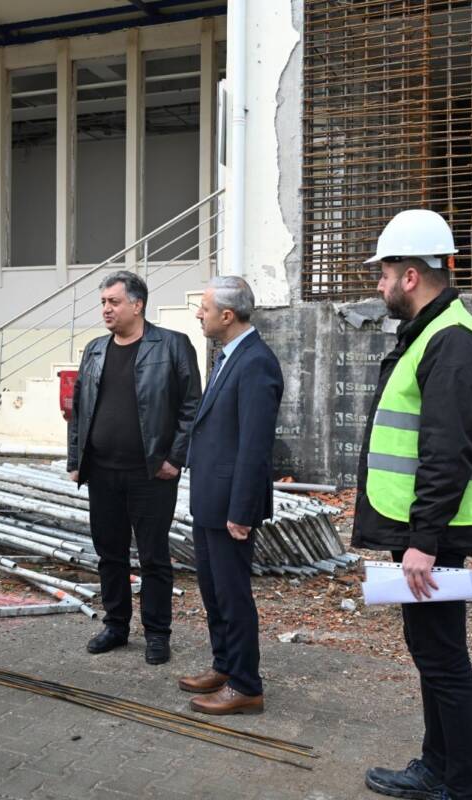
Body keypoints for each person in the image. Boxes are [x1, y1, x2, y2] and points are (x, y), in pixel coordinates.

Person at [352, 209, 472, 800]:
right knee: (431, 654)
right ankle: (437, 768)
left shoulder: (453, 342)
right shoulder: (434, 334)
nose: (379, 285)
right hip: (425, 528)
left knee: (444, 662)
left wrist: (423, 540)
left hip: (433, 533)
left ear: (410, 275)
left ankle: (460, 785)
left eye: (383, 273)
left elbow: (447, 452)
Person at [66, 270, 202, 665]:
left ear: (137, 305)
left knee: (154, 556)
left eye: (114, 302)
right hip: (102, 471)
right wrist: (77, 460)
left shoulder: (173, 345)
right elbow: (79, 411)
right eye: (103, 302)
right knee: (109, 553)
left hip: (151, 474)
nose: (106, 309)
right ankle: (116, 625)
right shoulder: (94, 349)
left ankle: (158, 633)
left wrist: (174, 458)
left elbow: (191, 405)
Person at [180, 276, 283, 716]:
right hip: (210, 498)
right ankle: (224, 665)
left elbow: (255, 446)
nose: (198, 314)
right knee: (213, 590)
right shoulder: (227, 357)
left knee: (233, 593)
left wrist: (241, 511)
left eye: (204, 307)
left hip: (230, 506)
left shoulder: (256, 362)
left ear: (227, 314)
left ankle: (246, 685)